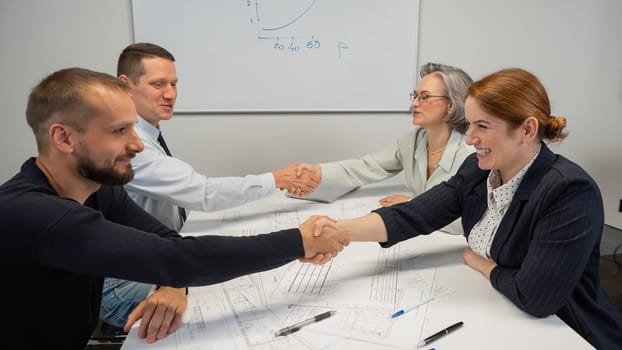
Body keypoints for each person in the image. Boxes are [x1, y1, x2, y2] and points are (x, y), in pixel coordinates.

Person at [0, 67, 347, 349]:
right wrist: (300, 241)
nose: (137, 144)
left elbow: (168, 246)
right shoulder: (33, 213)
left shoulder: (97, 189)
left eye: (134, 128)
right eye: (119, 130)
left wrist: (172, 284)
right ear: (63, 138)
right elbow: (176, 259)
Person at [311, 68, 622, 349]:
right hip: (502, 313)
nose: (470, 138)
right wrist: (338, 231)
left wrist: (482, 265)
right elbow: (415, 214)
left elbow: (535, 297)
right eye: (470, 124)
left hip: (569, 331)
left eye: (482, 126)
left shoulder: (568, 191)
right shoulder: (479, 169)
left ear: (527, 130)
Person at [100, 42, 320, 332]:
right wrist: (278, 179)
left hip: (155, 258)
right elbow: (202, 193)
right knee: (231, 305)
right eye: (158, 84)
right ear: (125, 85)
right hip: (124, 280)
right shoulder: (130, 148)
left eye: (174, 83)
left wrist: (176, 273)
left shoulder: (147, 135)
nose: (171, 94)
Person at [294, 63, 474, 235]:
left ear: (451, 104)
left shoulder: (471, 154)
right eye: (415, 96)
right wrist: (316, 172)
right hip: (422, 236)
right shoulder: (414, 140)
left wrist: (412, 205)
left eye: (425, 97)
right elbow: (366, 166)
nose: (415, 104)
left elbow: (467, 219)